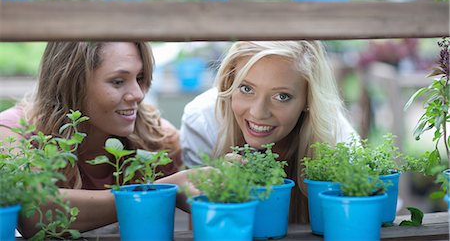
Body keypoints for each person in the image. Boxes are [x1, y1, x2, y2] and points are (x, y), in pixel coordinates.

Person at [0, 42, 192, 238]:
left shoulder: (158, 139)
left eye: (140, 78)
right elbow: (33, 214)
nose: (138, 94)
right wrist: (160, 193)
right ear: (72, 82)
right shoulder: (12, 131)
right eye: (118, 81)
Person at [180, 41, 356, 223]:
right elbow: (203, 225)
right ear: (229, 83)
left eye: (281, 96)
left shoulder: (334, 135)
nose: (258, 112)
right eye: (246, 88)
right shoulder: (203, 121)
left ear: (308, 100)